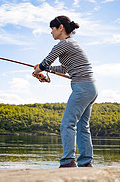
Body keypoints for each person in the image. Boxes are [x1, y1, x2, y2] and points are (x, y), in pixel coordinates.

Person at [33, 16, 97, 168]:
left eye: (52, 29)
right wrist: (45, 69)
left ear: (60, 28)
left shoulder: (63, 44)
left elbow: (46, 62)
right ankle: (86, 162)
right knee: (83, 126)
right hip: (91, 87)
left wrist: (38, 69)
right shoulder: (73, 44)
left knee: (67, 124)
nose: (51, 33)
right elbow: (64, 69)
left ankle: (68, 161)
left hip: (81, 87)